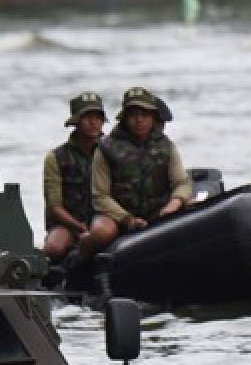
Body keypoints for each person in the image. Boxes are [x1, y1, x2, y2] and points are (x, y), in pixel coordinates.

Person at [78, 87, 192, 262]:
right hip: (118, 215)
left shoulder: (166, 146)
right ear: (125, 118)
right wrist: (128, 219)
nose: (139, 120)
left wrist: (173, 205)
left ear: (153, 118)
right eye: (133, 115)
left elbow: (182, 183)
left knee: (191, 210)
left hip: (158, 211)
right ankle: (78, 264)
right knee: (102, 232)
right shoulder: (106, 148)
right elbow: (100, 196)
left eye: (144, 115)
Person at [41, 92, 107, 264]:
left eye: (97, 117)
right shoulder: (56, 158)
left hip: (105, 219)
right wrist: (79, 227)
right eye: (87, 117)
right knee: (53, 249)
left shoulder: (112, 152)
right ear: (76, 121)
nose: (93, 122)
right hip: (69, 224)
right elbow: (55, 206)